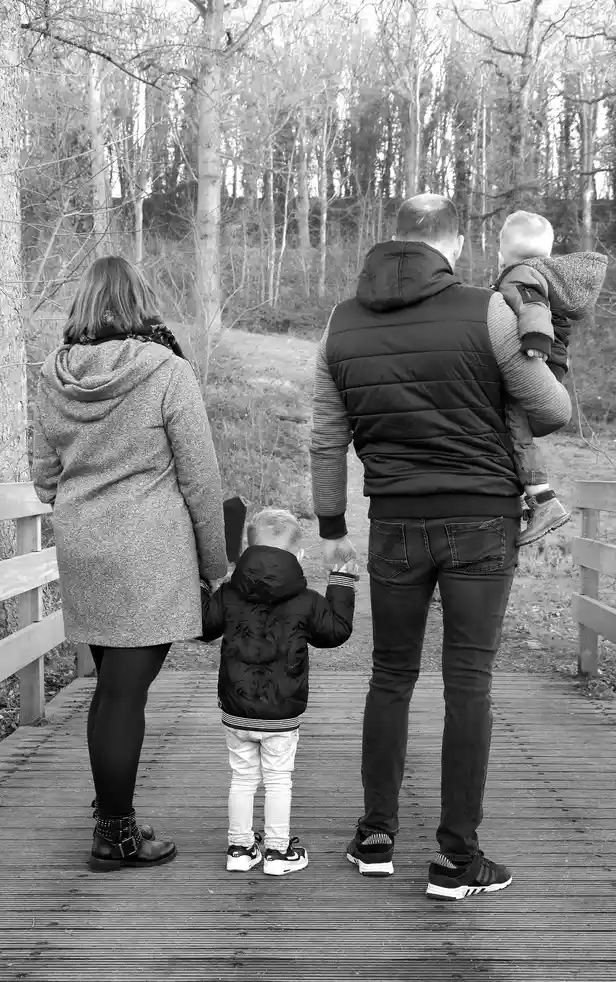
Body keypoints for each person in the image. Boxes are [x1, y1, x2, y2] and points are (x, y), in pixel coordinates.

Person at [309, 194, 572, 901]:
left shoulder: (340, 322)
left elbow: (327, 438)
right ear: (454, 244)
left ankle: (375, 836)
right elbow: (551, 409)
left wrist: (331, 527)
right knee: (469, 684)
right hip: (481, 521)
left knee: (390, 677)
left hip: (394, 523)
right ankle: (457, 859)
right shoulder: (488, 311)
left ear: (393, 237)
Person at [32, 256, 228, 871]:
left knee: (113, 689)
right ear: (140, 302)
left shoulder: (54, 374)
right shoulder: (165, 370)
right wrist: (216, 565)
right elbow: (200, 477)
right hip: (150, 549)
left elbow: (44, 479)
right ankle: (115, 834)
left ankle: (111, 813)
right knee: (124, 693)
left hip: (85, 546)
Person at [200, 507, 356, 876]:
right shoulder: (306, 600)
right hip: (282, 712)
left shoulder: (231, 593)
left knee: (242, 778)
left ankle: (239, 849)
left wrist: (204, 584)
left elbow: (204, 627)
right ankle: (277, 851)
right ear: (298, 556)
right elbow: (335, 632)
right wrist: (341, 579)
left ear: (248, 550)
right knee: (278, 779)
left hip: (236, 708)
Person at [495, 210, 607, 545]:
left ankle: (542, 498)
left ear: (502, 255)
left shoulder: (519, 274)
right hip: (552, 361)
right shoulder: (542, 274)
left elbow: (532, 306)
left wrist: (535, 339)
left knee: (513, 419)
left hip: (538, 356)